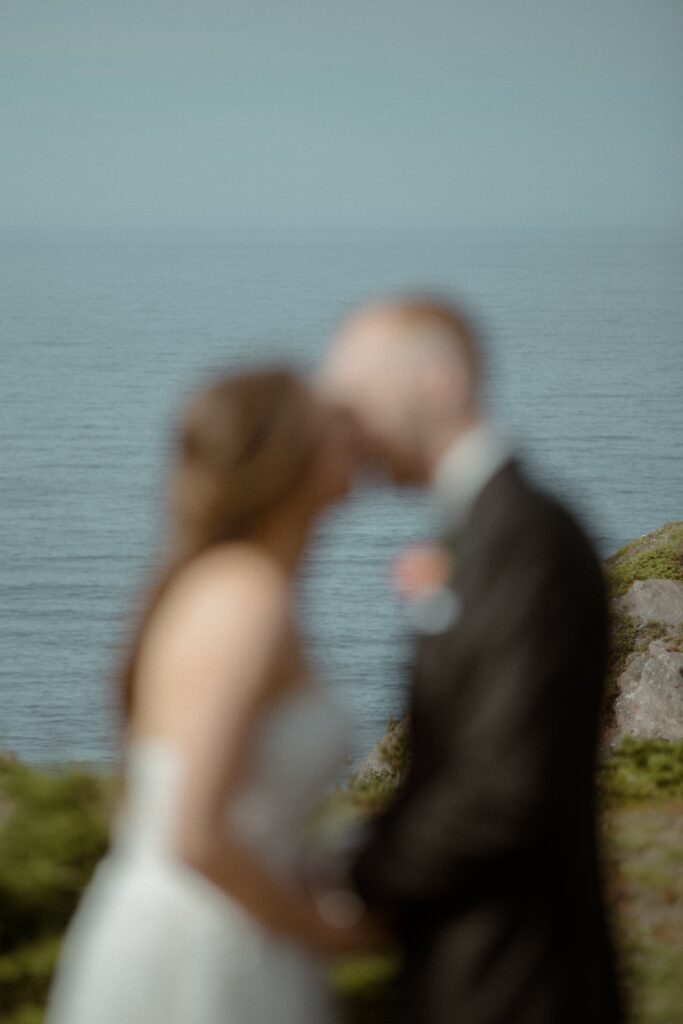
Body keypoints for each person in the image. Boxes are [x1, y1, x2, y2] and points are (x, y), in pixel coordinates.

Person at [320, 299, 624, 1024]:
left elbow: (503, 788)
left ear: (436, 382)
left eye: (356, 401)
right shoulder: (480, 532)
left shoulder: (526, 539)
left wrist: (354, 878)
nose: (346, 428)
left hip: (518, 982)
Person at [47, 369, 379, 1024]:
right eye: (331, 423)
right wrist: (327, 933)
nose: (356, 433)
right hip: (208, 950)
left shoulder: (234, 588)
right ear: (290, 456)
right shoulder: (245, 599)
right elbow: (194, 835)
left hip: (227, 926)